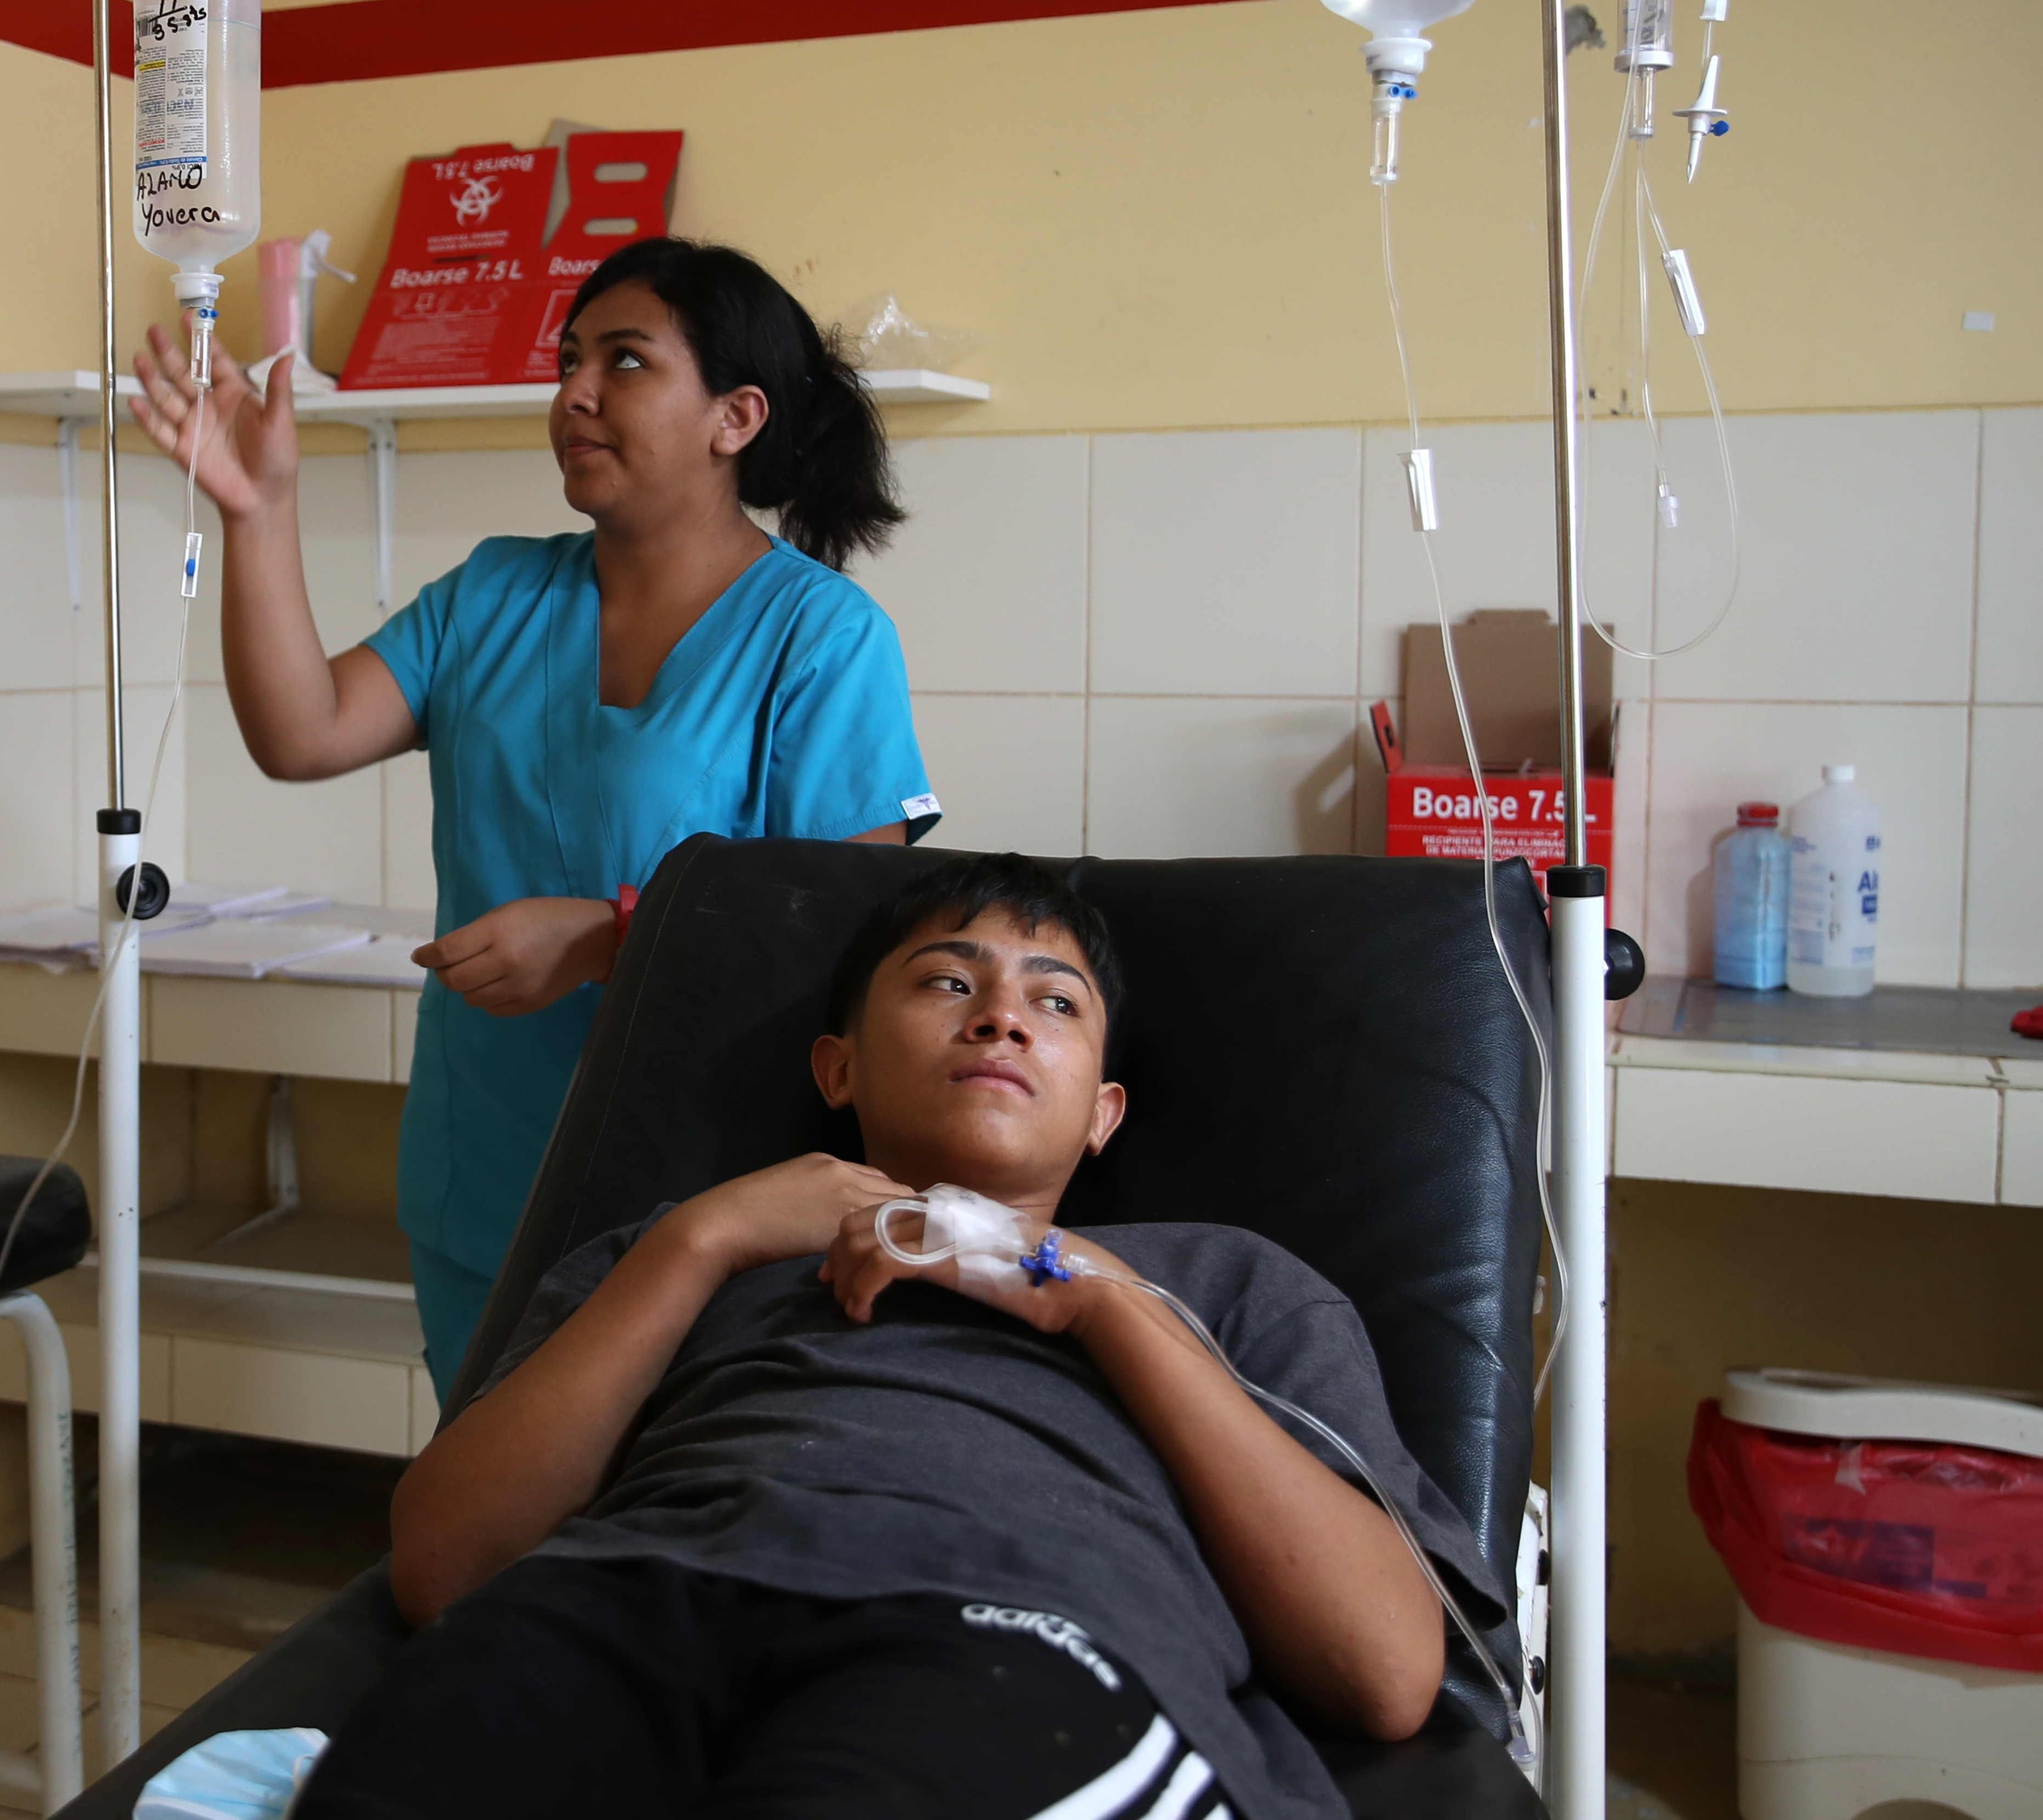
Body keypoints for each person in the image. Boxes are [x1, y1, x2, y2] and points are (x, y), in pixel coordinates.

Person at [295, 854, 1506, 1820]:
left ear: (1103, 1113)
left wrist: (1077, 1288)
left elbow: (1383, 1670)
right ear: (836, 1066)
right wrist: (703, 1239)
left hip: (1006, 1632)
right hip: (624, 1594)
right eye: (944, 980)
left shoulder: (1222, 1281)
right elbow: (449, 1561)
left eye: (1055, 999)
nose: (1000, 1017)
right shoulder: (686, 1250)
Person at [129, 237, 941, 1395]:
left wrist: (610, 935)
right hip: (486, 1181)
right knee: (484, 1530)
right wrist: (259, 513)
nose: (572, 393)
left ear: (735, 416)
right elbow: (301, 731)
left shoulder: (821, 635)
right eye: (569, 359)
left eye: (624, 361)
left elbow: (848, 928)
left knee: (648, 1538)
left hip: (711, 1197)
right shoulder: (496, 592)